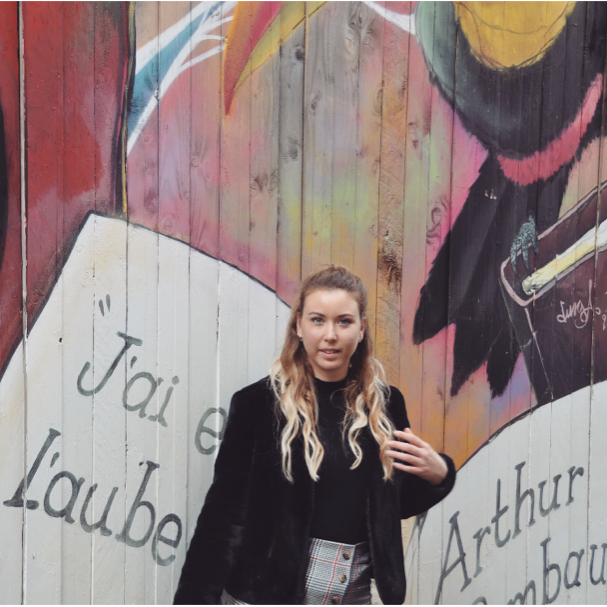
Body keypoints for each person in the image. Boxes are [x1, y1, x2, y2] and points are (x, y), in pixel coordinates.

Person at [174, 265, 456, 605]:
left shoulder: (386, 405)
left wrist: (439, 474)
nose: (330, 335)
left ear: (362, 328)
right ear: (298, 325)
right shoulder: (258, 404)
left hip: (354, 596)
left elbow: (391, 508)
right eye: (318, 320)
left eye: (344, 321)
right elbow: (223, 516)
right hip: (269, 598)